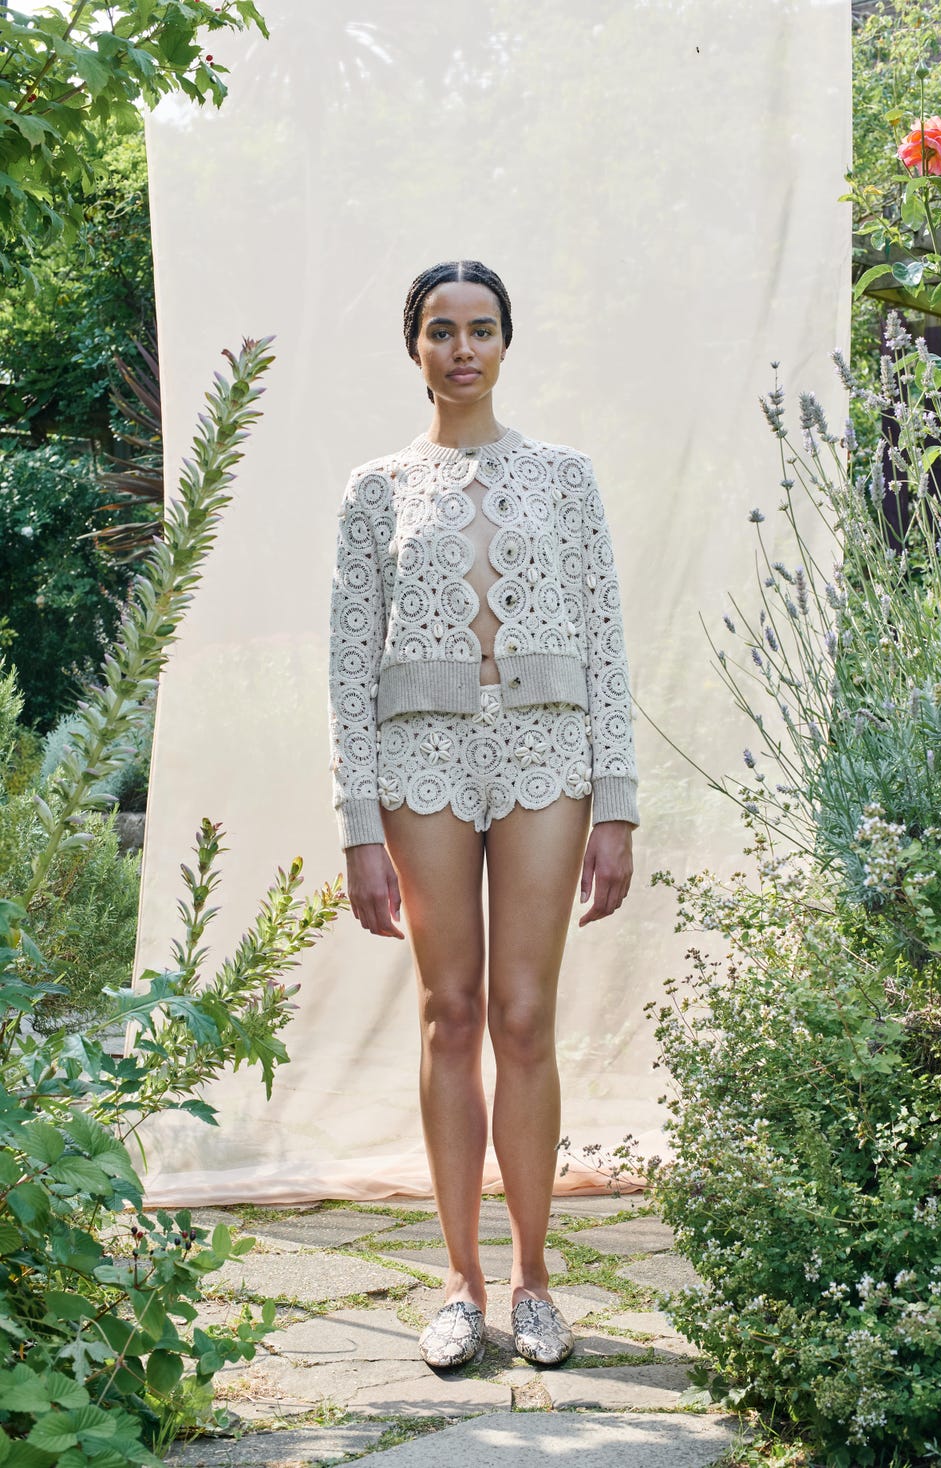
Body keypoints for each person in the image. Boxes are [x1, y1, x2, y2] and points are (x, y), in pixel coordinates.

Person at [328, 259, 639, 1370]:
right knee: (447, 1011)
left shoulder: (564, 477)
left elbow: (604, 636)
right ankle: (458, 1281)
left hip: (549, 752)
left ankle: (533, 1279)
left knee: (521, 1013)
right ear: (412, 346)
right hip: (419, 762)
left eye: (481, 329)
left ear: (507, 343)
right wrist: (356, 819)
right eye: (441, 330)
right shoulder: (374, 491)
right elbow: (344, 663)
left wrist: (619, 800)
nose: (462, 347)